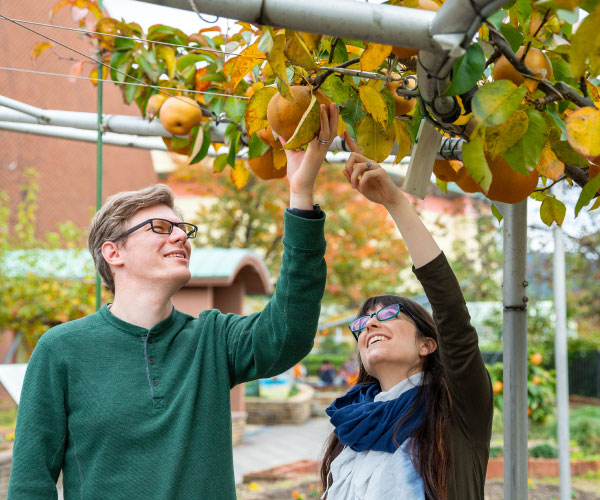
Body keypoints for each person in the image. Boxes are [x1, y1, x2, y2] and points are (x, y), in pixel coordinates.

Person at [8, 103, 339, 500]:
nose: (181, 236)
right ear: (114, 253)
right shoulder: (61, 349)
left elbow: (290, 333)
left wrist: (300, 194)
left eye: (183, 229)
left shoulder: (214, 339)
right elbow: (30, 483)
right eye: (160, 228)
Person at [320, 133, 493, 500]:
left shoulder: (456, 411)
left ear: (428, 343)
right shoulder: (350, 426)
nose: (370, 324)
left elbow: (451, 314)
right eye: (362, 323)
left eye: (385, 313)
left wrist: (395, 202)